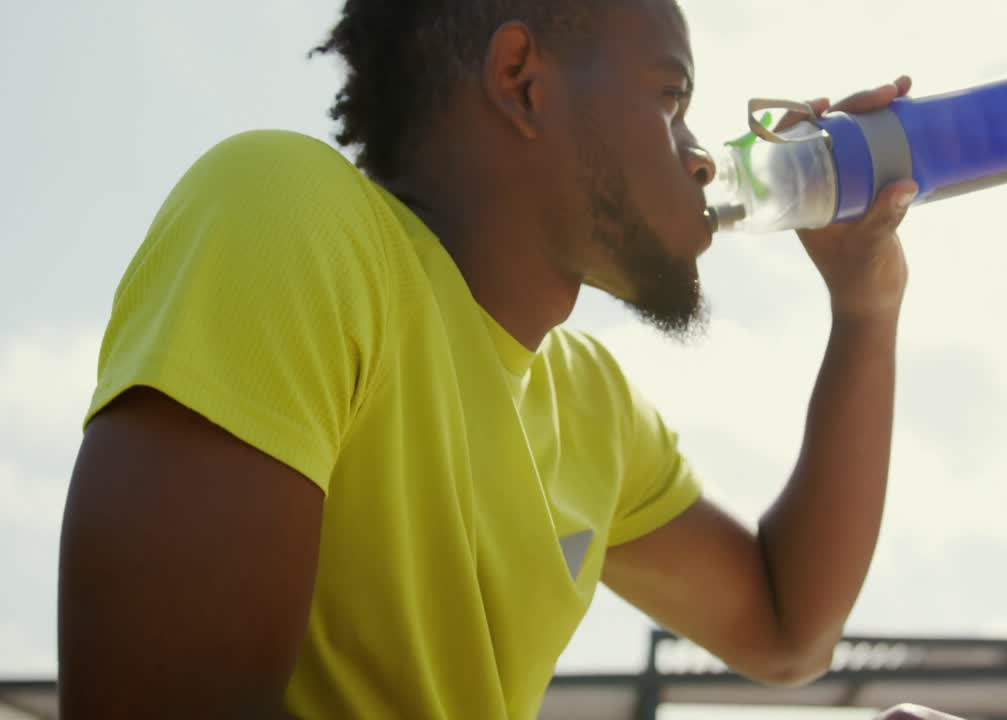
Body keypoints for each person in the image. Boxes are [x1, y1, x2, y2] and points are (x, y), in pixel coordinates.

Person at [56, 0, 931, 717]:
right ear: (522, 81)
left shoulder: (591, 405)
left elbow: (787, 629)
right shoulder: (292, 216)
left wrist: (866, 306)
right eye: (670, 98)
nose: (701, 159)